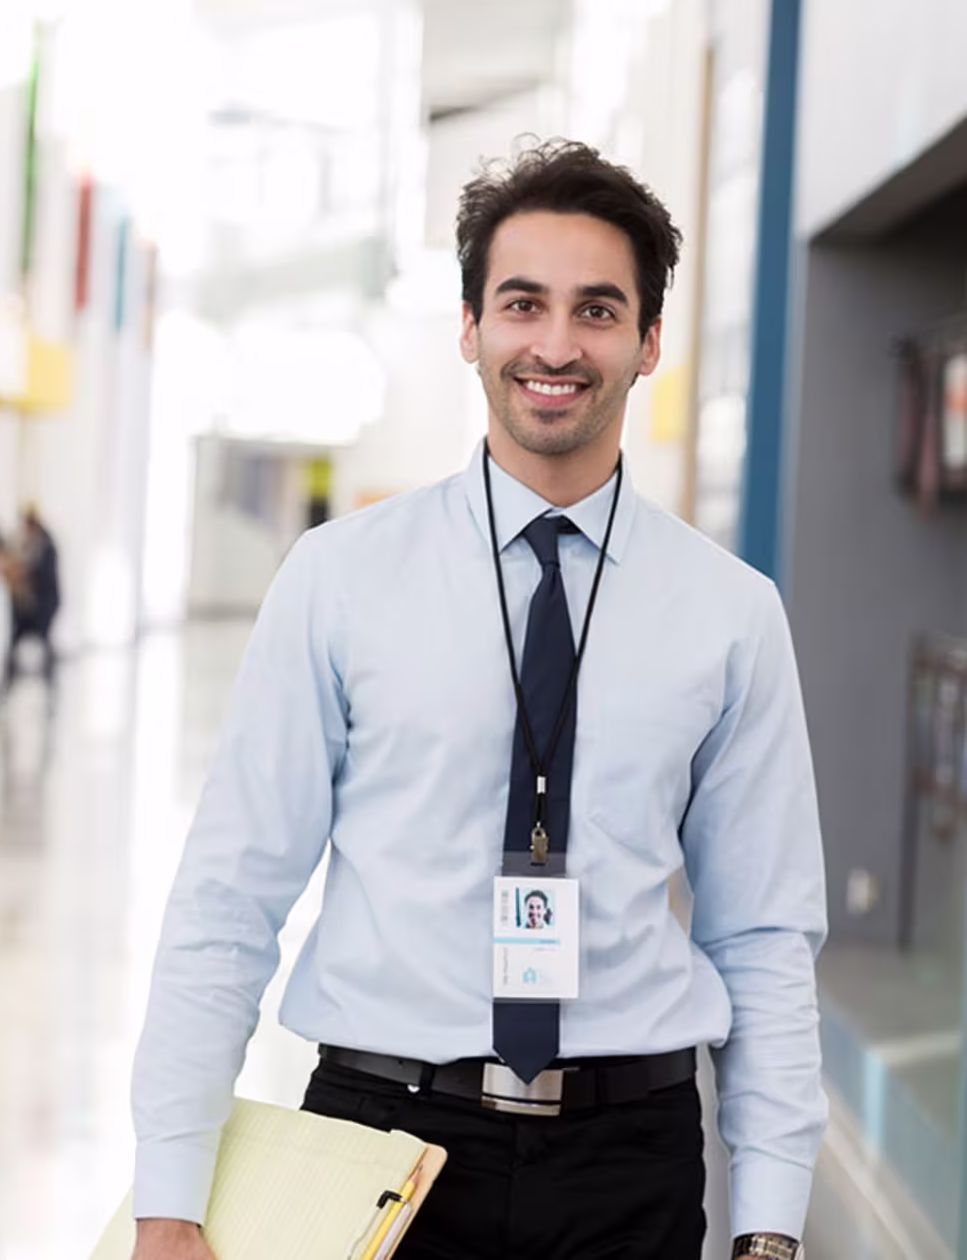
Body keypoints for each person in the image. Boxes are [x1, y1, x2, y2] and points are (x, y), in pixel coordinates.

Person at [131, 139, 826, 1260]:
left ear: (650, 341)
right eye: (523, 304)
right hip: (382, 1146)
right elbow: (230, 894)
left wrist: (772, 1228)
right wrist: (170, 1192)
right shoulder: (340, 578)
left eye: (598, 310)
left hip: (632, 1164)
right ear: (469, 327)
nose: (556, 344)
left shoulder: (731, 613)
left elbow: (764, 937)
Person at [6, 507, 62, 689]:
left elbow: (38, 572)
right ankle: (11, 678)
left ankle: (50, 678)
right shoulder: (30, 543)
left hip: (45, 602)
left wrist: (23, 572)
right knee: (18, 639)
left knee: (44, 639)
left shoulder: (46, 545)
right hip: (30, 603)